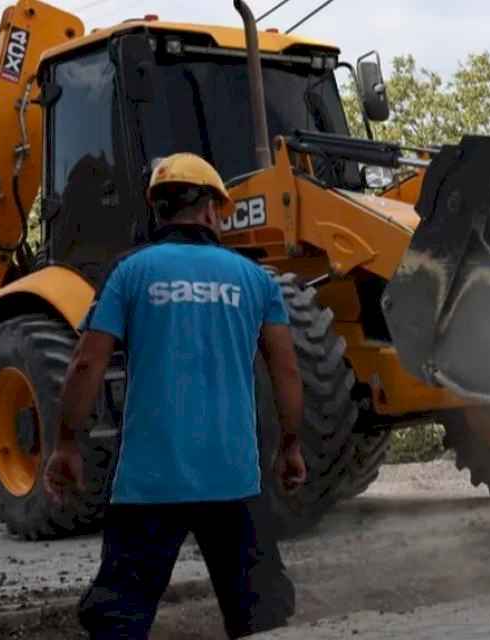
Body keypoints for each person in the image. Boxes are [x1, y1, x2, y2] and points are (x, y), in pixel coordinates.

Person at [42, 152, 308, 639]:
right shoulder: (254, 279)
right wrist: (290, 445)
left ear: (158, 210)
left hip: (148, 483)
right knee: (260, 617)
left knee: (119, 619)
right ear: (209, 209)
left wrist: (66, 443)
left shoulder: (129, 272)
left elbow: (85, 364)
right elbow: (286, 369)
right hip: (233, 479)